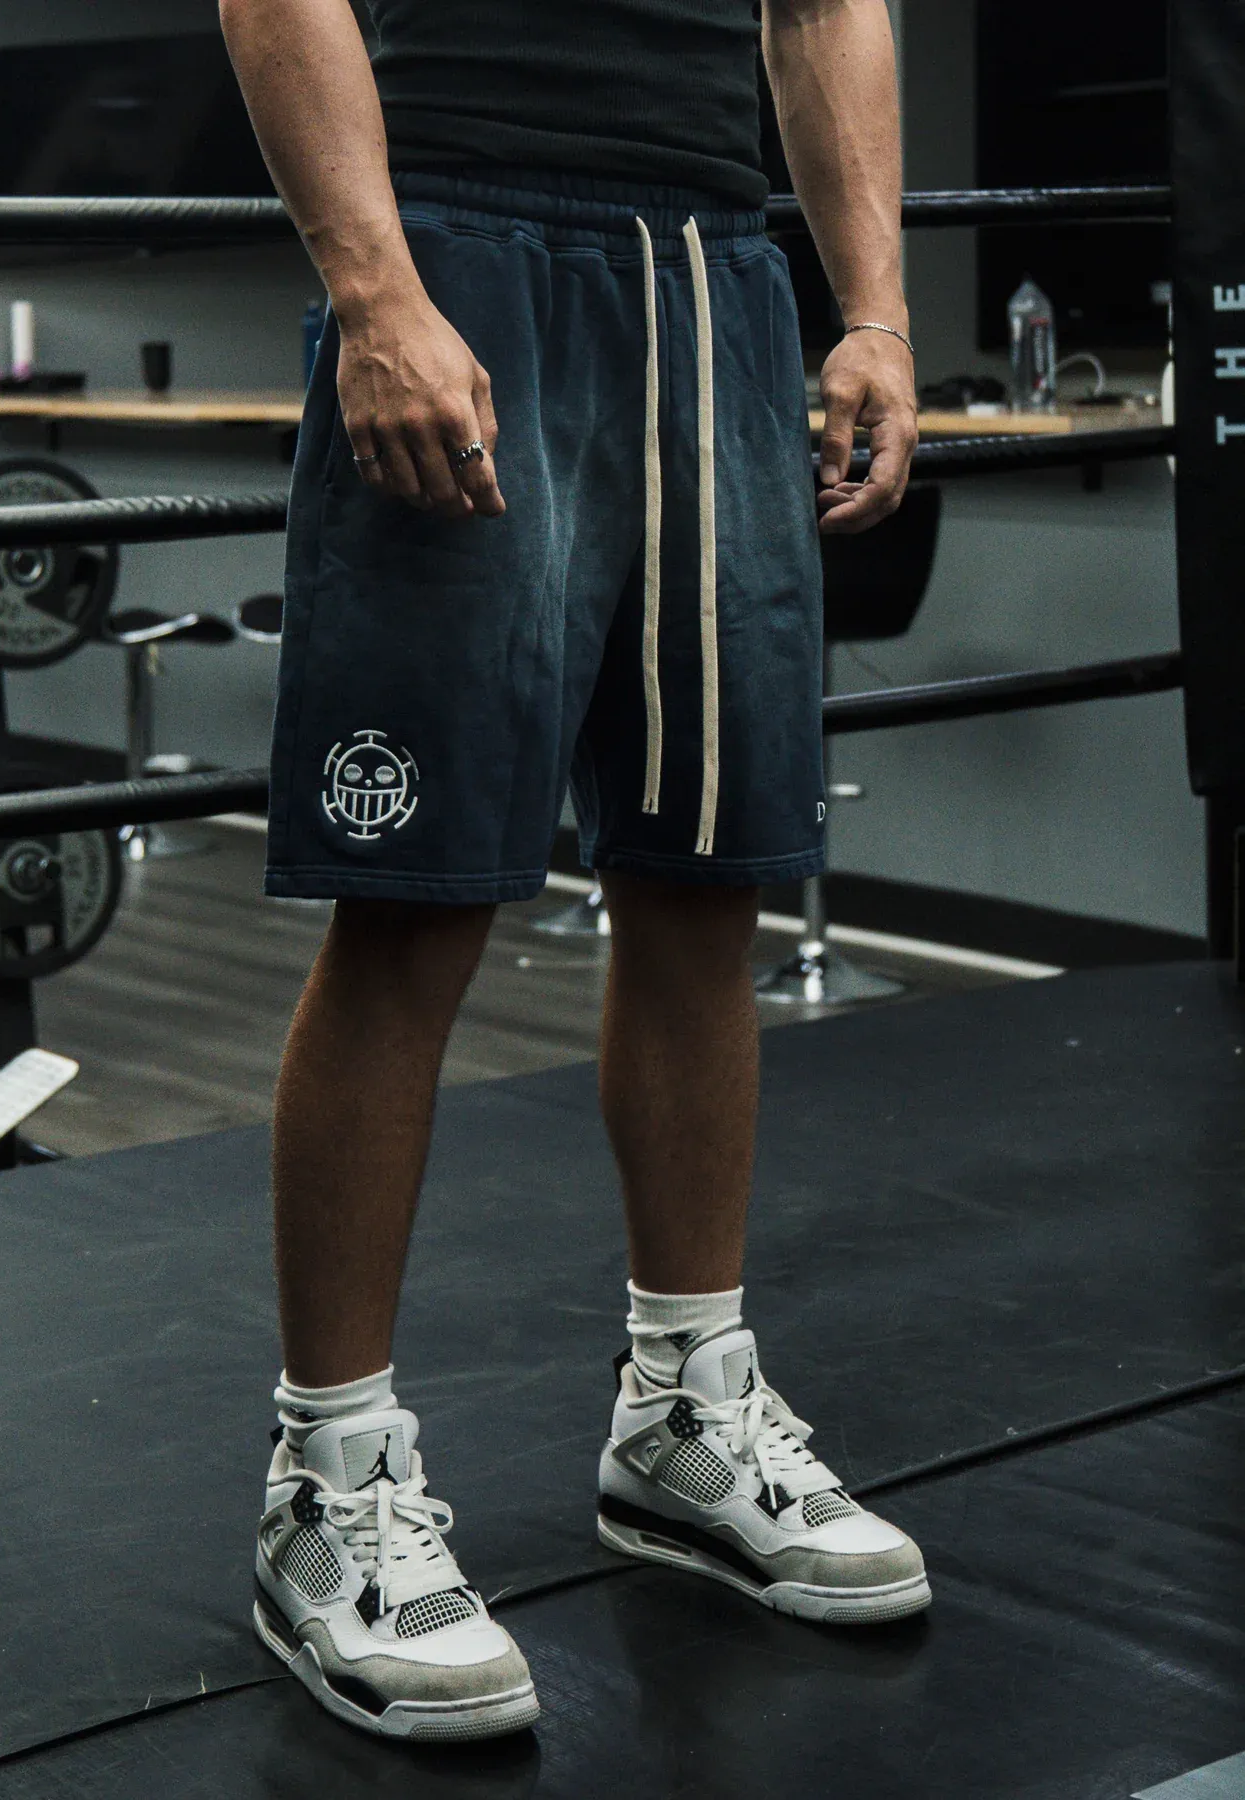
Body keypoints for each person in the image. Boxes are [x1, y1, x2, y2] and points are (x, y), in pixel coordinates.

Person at [220, 0, 925, 1742]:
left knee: (707, 880)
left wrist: (878, 312)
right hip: (462, 250)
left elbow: (825, 4)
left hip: (716, 279)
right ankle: (328, 1483)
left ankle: (685, 1411)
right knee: (418, 906)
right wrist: (376, 288)